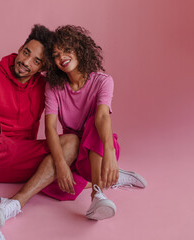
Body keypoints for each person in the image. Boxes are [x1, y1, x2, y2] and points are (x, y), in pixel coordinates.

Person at [0, 25, 81, 240]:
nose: (26, 62)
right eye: (26, 52)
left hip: (20, 158)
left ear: (43, 67)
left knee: (73, 141)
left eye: (37, 61)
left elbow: (73, 102)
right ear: (20, 48)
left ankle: (15, 203)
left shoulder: (44, 87)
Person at [44, 25, 147, 220]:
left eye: (67, 49)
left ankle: (97, 194)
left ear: (80, 49)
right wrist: (61, 163)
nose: (62, 57)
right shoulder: (53, 86)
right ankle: (108, 177)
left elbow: (102, 117)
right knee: (50, 183)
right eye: (56, 55)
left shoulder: (103, 81)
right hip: (77, 154)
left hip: (103, 146)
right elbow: (49, 127)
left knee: (93, 123)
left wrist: (109, 153)